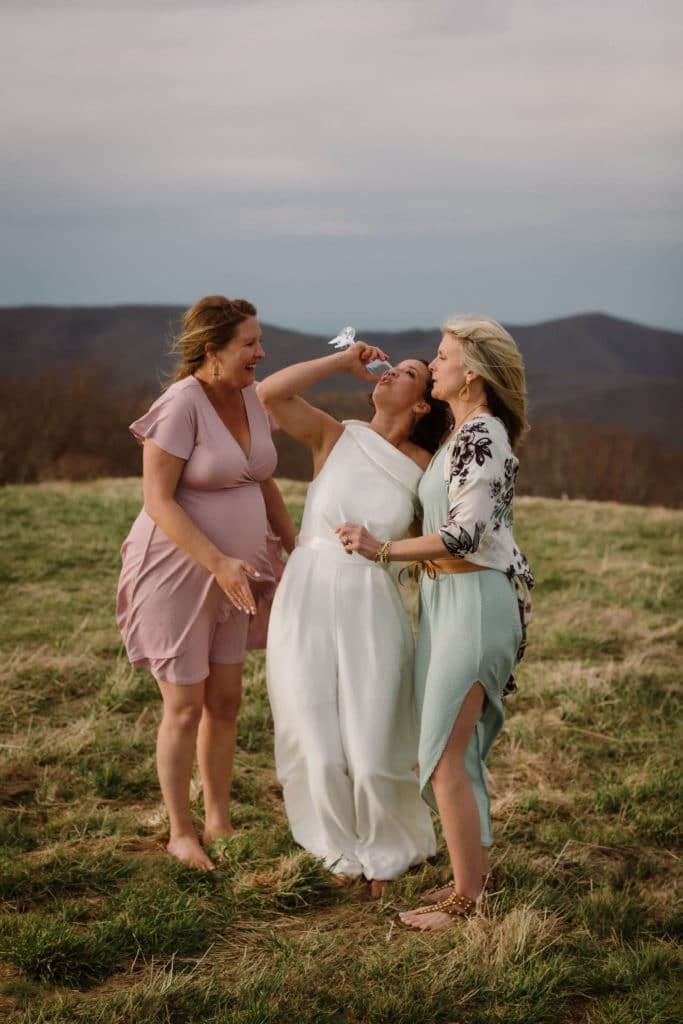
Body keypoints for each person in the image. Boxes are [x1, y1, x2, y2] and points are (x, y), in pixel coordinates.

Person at [338, 316, 534, 927]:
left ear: (471, 372)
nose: (436, 362)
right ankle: (471, 878)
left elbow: (465, 534)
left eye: (444, 356)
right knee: (454, 751)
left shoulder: (483, 437)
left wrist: (382, 550)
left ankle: (465, 903)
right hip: (449, 602)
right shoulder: (463, 433)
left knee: (446, 755)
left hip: (473, 602)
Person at [257, 342, 450, 896]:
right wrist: (342, 363)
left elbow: (442, 534)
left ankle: (388, 851)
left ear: (421, 407)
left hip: (373, 602)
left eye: (409, 373)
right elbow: (270, 393)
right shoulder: (335, 435)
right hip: (308, 594)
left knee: (372, 743)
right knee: (314, 737)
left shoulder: (424, 469)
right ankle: (337, 850)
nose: (391, 373)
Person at [117, 295, 297, 871]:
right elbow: (158, 500)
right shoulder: (180, 405)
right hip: (177, 570)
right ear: (212, 351)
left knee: (226, 700)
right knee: (185, 706)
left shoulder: (247, 393)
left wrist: (295, 544)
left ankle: (218, 819)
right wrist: (217, 561)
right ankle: (180, 831)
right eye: (249, 343)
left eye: (259, 340)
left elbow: (262, 478)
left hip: (236, 576)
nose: (260, 352)